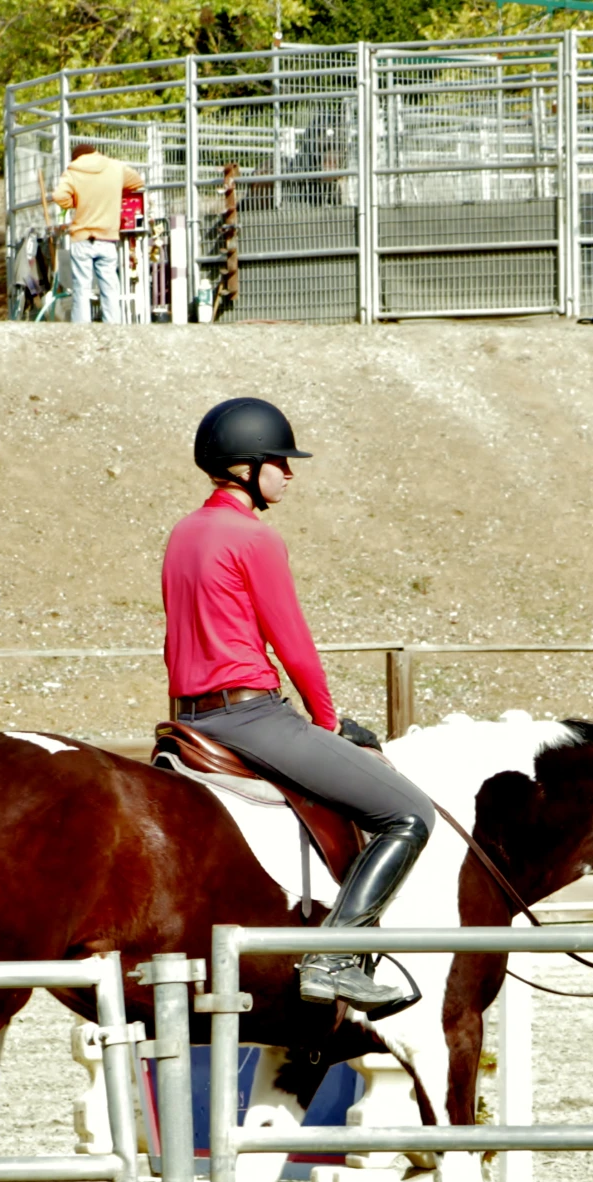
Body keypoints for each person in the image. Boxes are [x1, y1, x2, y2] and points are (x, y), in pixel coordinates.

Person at [162, 397, 435, 1011]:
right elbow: (293, 644)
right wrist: (328, 720)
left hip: (189, 716)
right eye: (280, 461)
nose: (290, 473)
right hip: (251, 716)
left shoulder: (183, 533)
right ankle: (337, 957)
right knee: (410, 815)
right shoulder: (253, 538)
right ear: (248, 467)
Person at [50, 142, 144, 323]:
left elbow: (58, 196)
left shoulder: (73, 171)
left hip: (82, 238)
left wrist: (76, 201)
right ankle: (112, 328)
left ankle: (82, 331)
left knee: (82, 289)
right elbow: (137, 181)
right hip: (107, 238)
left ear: (76, 158)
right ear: (96, 152)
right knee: (110, 288)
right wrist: (114, 191)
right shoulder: (115, 167)